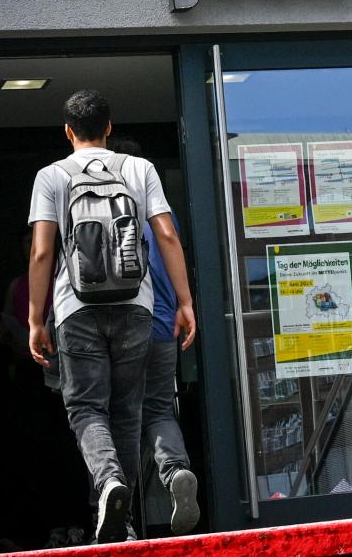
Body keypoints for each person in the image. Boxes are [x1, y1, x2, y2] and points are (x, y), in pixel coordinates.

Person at [27, 90, 197, 544]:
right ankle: (123, 520)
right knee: (128, 410)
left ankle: (108, 485)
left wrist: (35, 318)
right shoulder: (140, 169)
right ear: (109, 126)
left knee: (86, 407)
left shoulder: (51, 176)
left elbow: (42, 252)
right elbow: (167, 235)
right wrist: (184, 301)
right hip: (136, 307)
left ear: (67, 131)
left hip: (76, 308)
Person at [107, 136, 200, 535]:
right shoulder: (163, 212)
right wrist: (184, 303)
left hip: (121, 329)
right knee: (159, 409)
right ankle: (176, 470)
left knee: (118, 418)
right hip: (163, 325)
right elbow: (173, 250)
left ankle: (120, 516)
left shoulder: (105, 209)